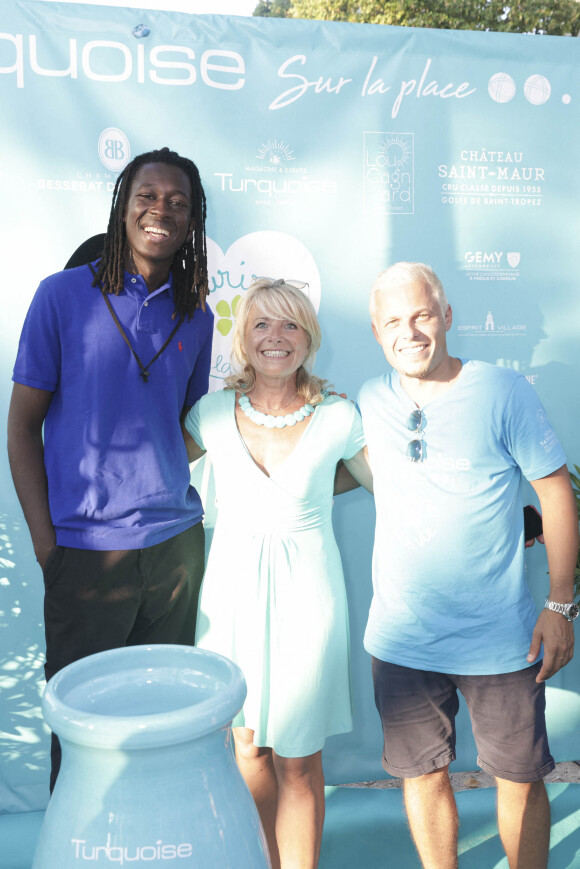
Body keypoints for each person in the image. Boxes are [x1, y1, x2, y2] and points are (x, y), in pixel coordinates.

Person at [358, 262, 578, 869]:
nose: (411, 331)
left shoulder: (504, 391)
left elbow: (555, 493)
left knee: (520, 778)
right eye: (395, 321)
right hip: (403, 638)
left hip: (500, 640)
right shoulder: (367, 401)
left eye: (422, 314)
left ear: (447, 316)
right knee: (422, 775)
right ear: (377, 331)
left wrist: (560, 605)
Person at [7, 147, 213, 791]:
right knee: (84, 735)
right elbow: (20, 426)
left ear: (191, 221)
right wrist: (49, 546)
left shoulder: (198, 314)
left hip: (175, 548)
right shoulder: (61, 296)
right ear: (124, 205)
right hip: (86, 553)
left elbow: (190, 428)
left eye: (177, 203)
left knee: (162, 727)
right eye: (148, 196)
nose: (161, 211)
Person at [182, 279, 372, 869]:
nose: (276, 337)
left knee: (297, 756)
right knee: (246, 745)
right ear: (243, 338)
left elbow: (397, 489)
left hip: (308, 597)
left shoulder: (340, 416)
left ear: (308, 338)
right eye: (262, 324)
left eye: (290, 324)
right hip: (231, 596)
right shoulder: (209, 413)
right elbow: (148, 473)